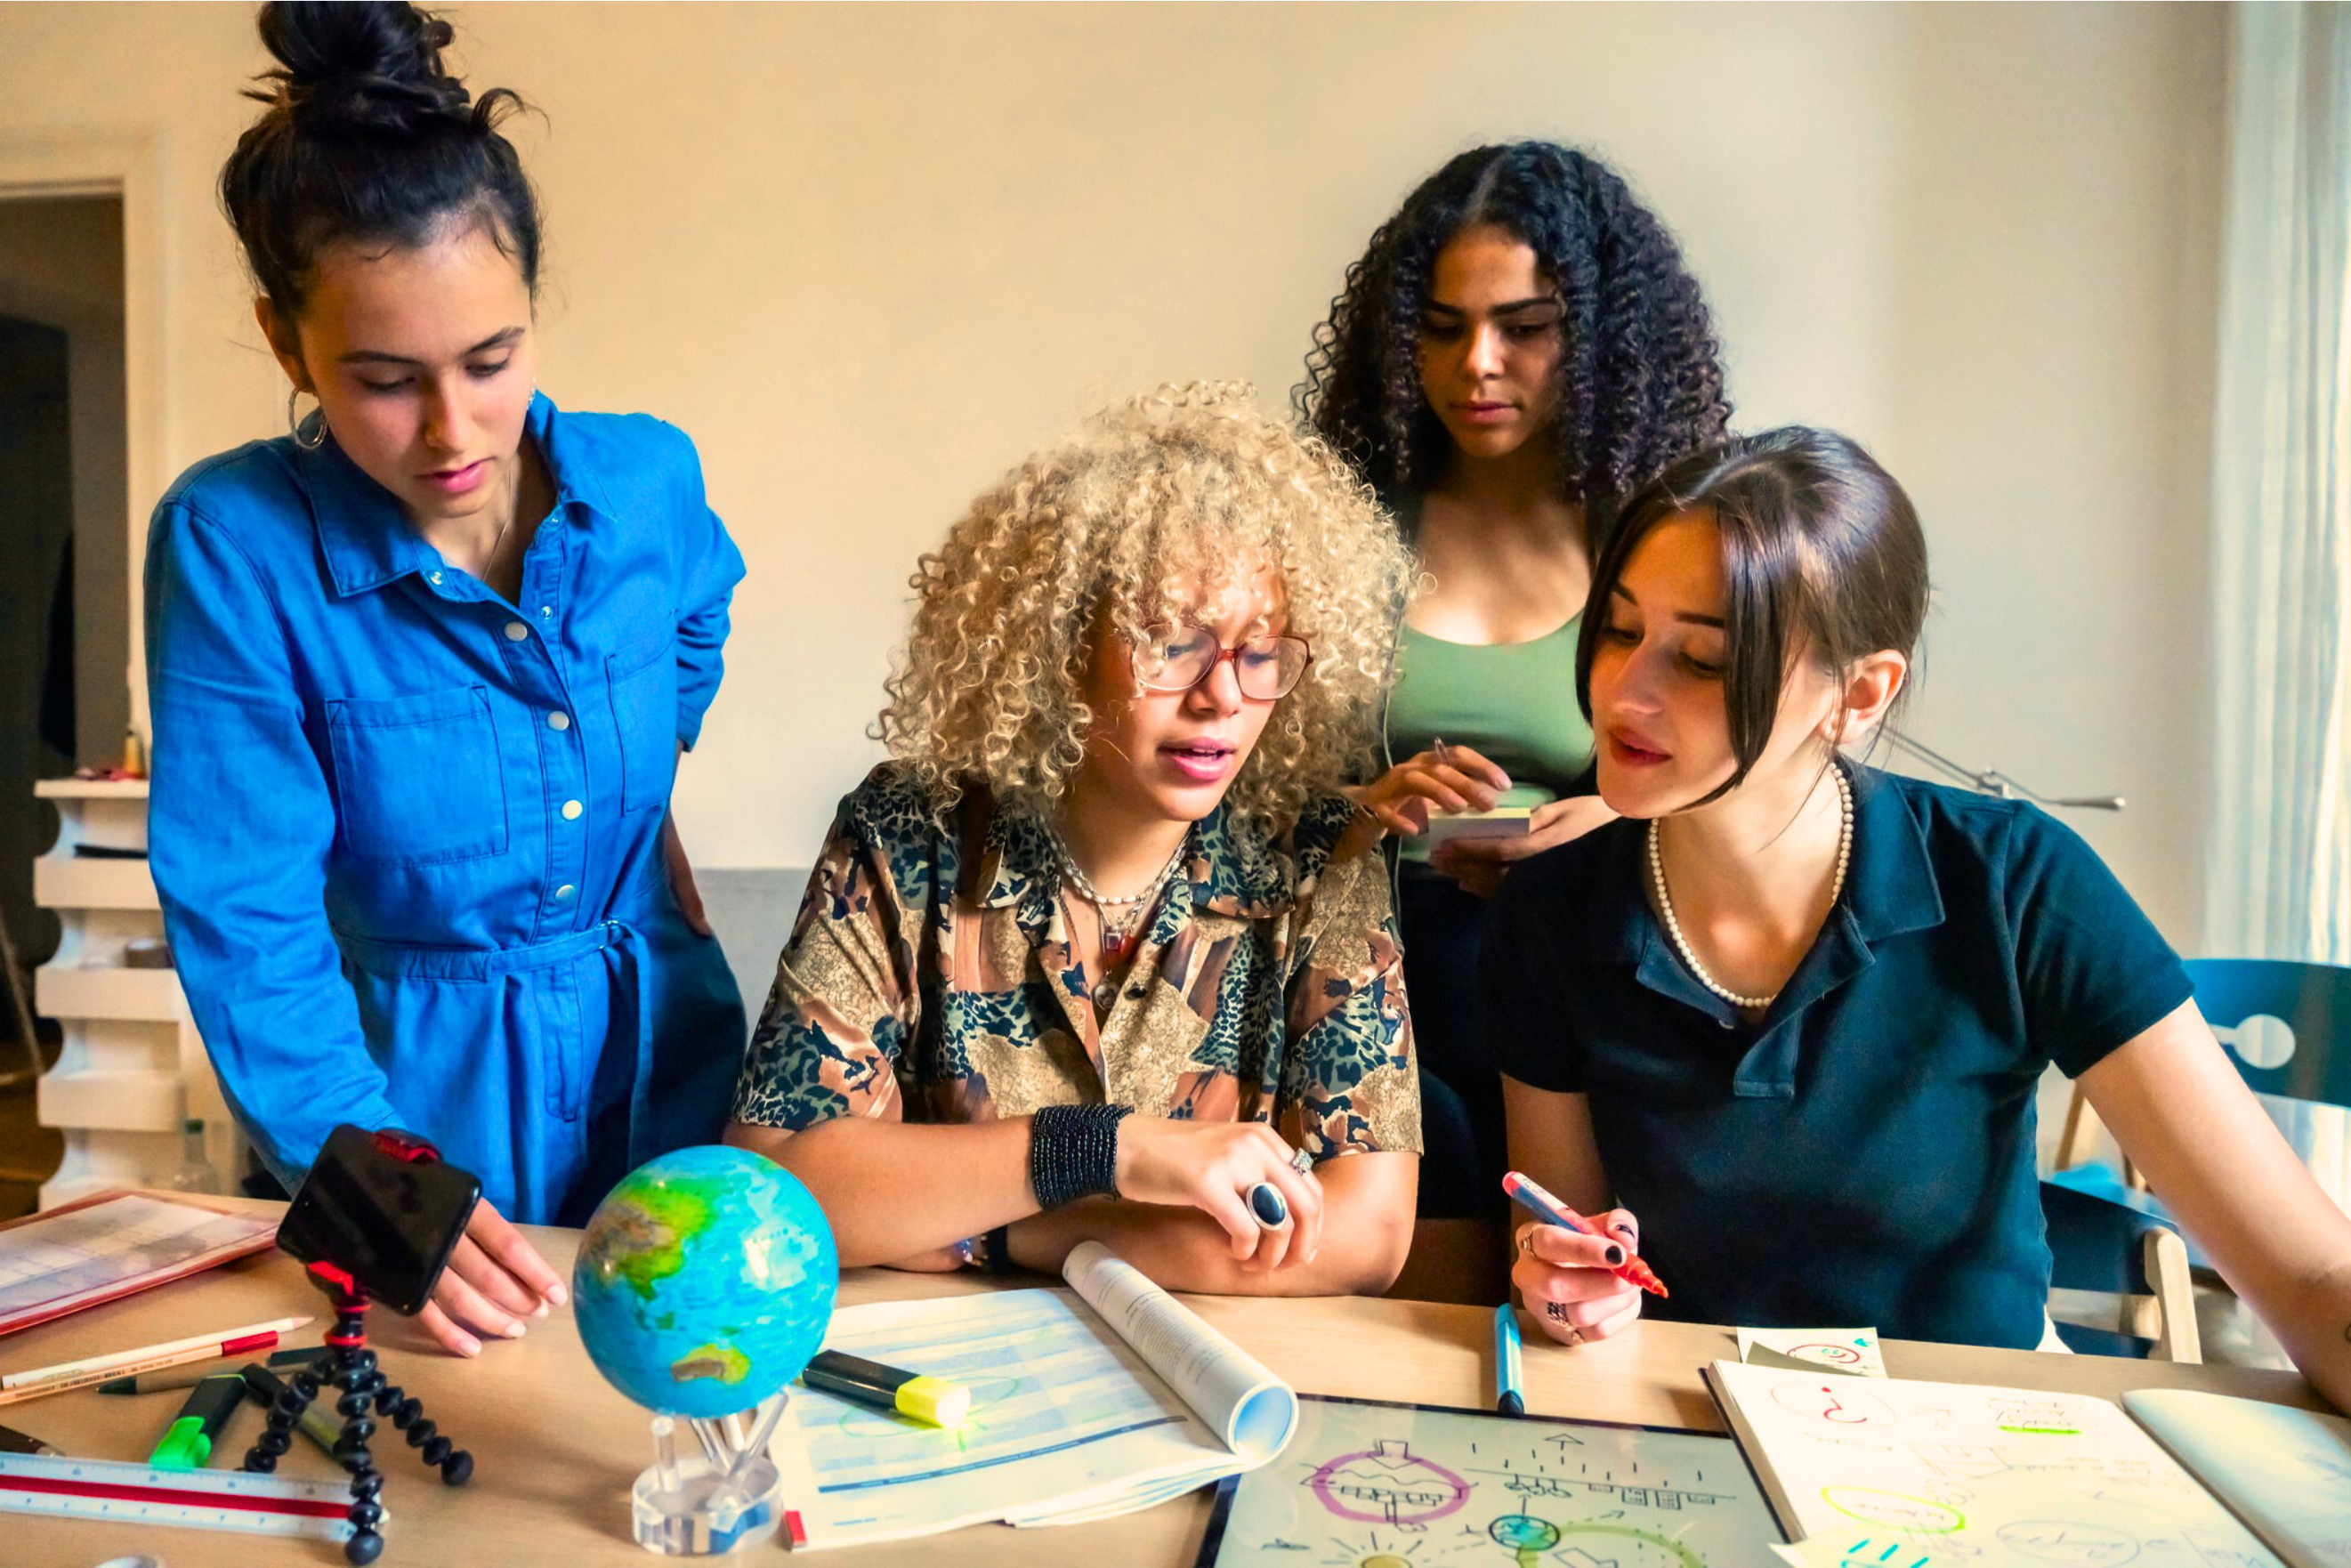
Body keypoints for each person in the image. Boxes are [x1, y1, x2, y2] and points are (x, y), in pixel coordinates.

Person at [1489, 426, 2351, 1410]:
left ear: (1858, 694)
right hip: (1685, 1415)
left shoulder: (2015, 882)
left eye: (1702, 659)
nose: (1624, 691)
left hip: (1981, 1425)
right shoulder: (1554, 909)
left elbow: (2309, 1272)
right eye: (1617, 631)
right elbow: (1553, 1237)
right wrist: (1564, 1286)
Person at [145, 1, 746, 1354]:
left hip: (669, 1069)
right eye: (383, 380)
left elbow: (698, 606)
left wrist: (645, 788)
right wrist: (378, 1195)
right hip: (405, 1107)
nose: (453, 429)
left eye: (491, 359)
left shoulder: (647, 477)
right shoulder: (233, 545)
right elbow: (245, 917)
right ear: (287, 343)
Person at [724, 384, 1422, 1295]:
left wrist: (1009, 1229)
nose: (1221, 696)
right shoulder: (907, 833)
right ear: (1060, 646)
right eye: (1170, 643)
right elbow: (775, 1186)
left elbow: (1366, 1233)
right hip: (938, 1363)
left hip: (1211, 1366)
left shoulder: (1321, 858)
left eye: (1260, 652)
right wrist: (1101, 1148)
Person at [1297, 141, 1731, 1219]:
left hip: (1593, 960)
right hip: (1364, 967)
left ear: (1600, 337)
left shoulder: (1662, 540)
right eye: (1441, 328)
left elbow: (1751, 776)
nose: (1475, 364)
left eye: (1523, 328)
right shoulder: (1335, 529)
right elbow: (1216, 791)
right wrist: (1358, 808)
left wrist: (1620, 822)